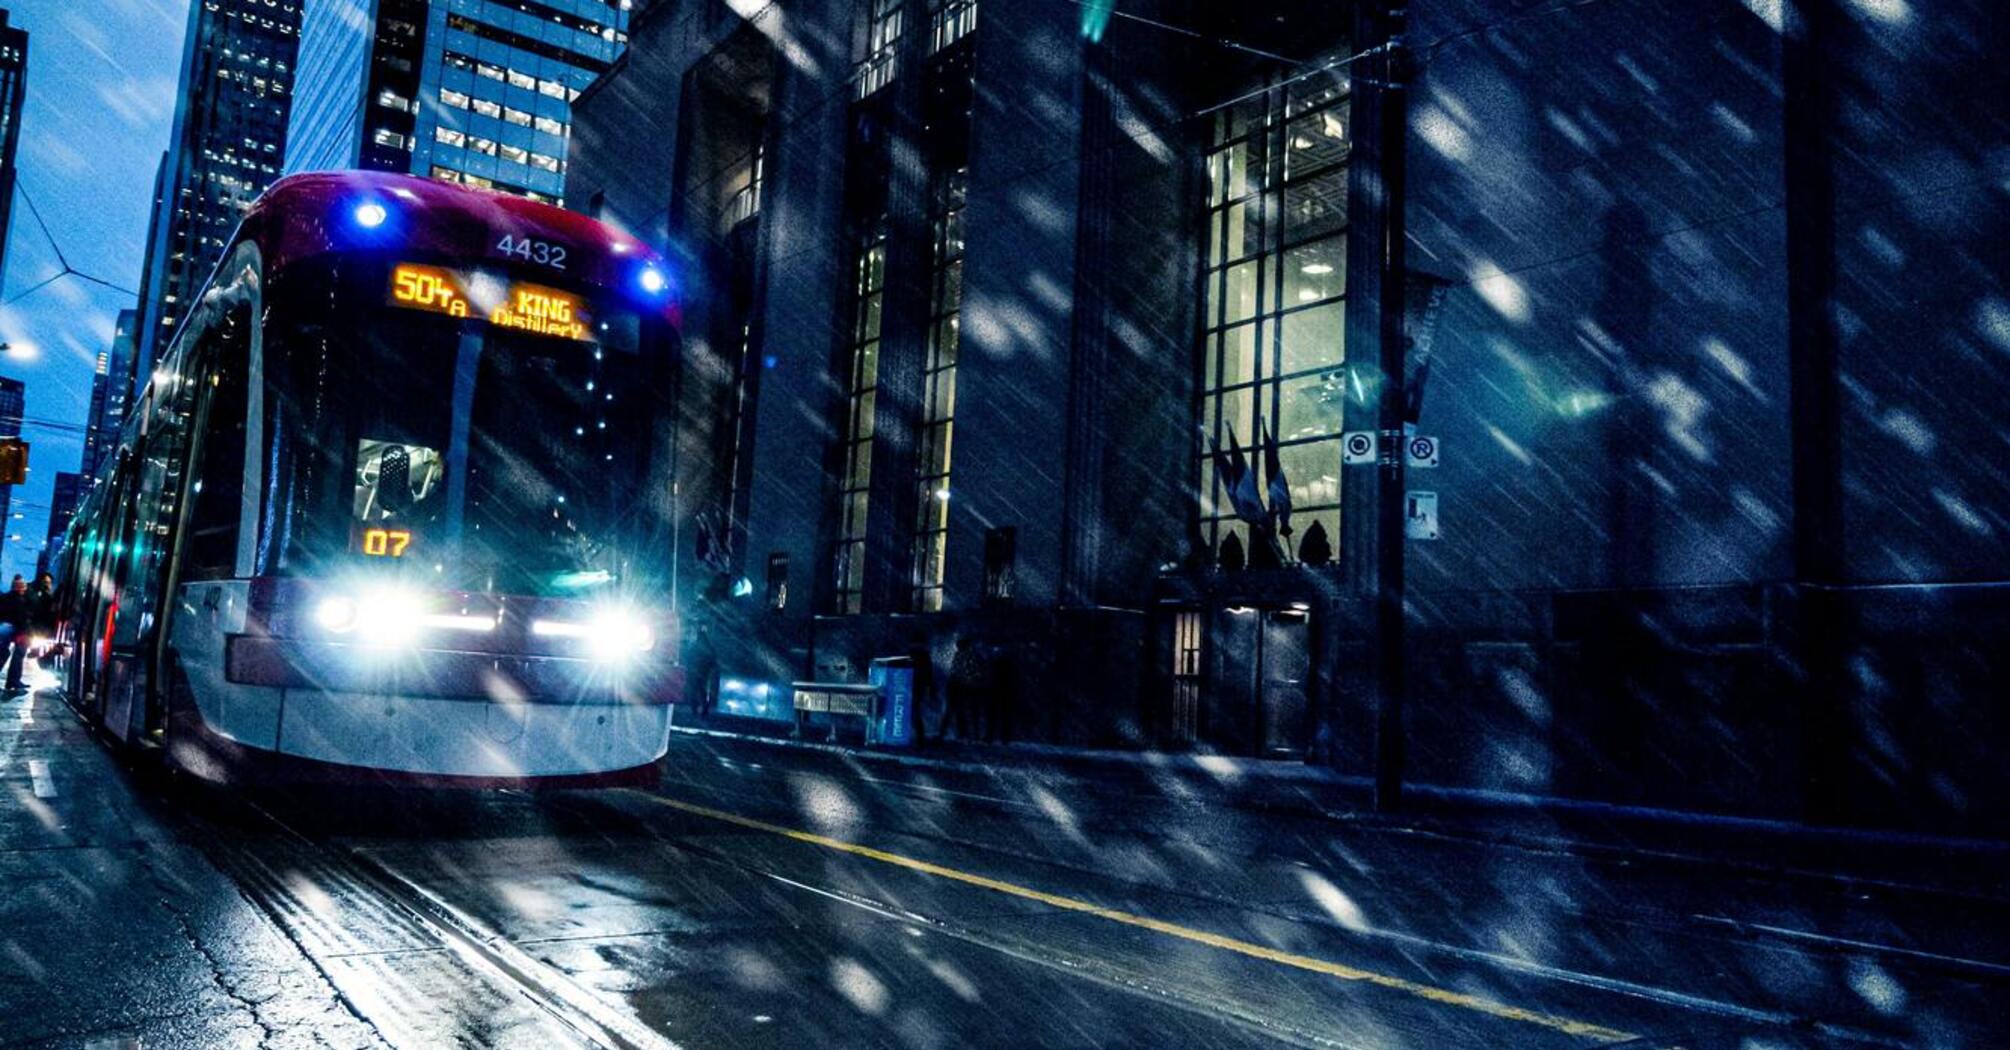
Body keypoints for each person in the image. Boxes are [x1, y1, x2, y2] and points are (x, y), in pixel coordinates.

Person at [944, 635, 984, 741]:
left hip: (958, 685)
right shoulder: (968, 656)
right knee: (964, 710)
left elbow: (956, 671)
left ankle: (960, 733)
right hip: (964, 686)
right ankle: (966, 734)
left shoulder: (960, 656)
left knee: (956, 710)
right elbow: (970, 671)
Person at [0, 576, 29, 693]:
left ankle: (13, 681)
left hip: (4, 627)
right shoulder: (19, 600)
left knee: (3, 652)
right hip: (10, 628)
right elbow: (20, 618)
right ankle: (13, 681)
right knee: (15, 653)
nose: (24, 589)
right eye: (23, 586)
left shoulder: (4, 597)